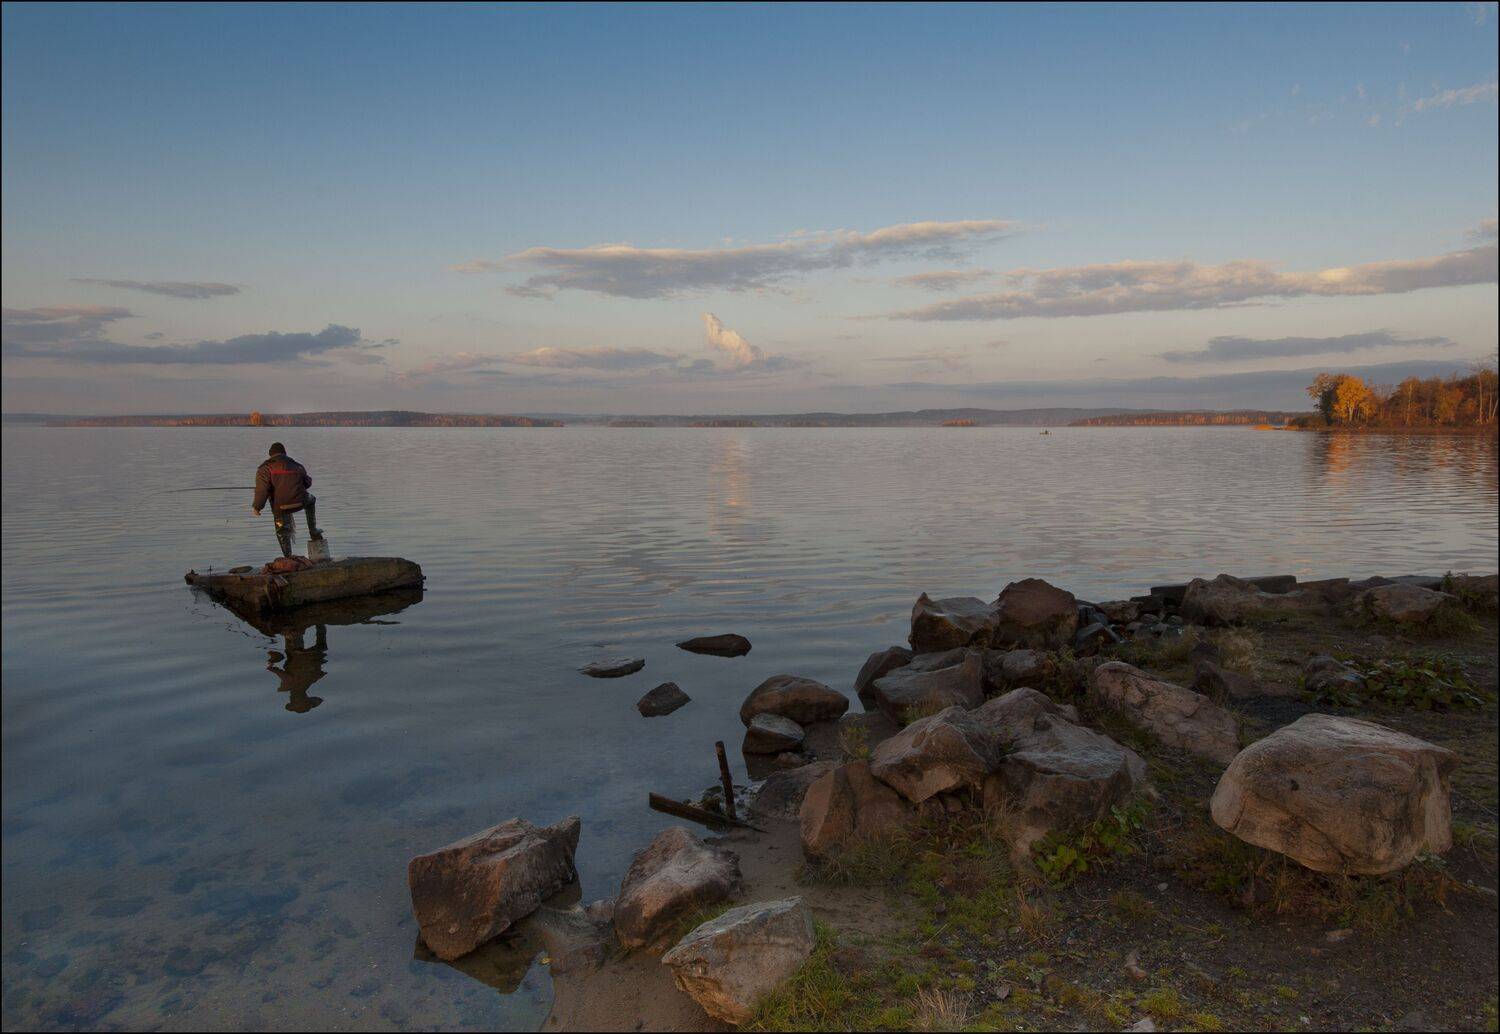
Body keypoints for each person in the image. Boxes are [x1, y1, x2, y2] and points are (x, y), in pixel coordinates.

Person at [252, 442, 323, 557]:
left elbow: (262, 490)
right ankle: (313, 531)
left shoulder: (264, 469)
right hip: (300, 502)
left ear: (270, 455)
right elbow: (307, 483)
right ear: (285, 453)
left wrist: (257, 507)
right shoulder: (297, 465)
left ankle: (288, 556)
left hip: (280, 507)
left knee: (281, 530)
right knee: (311, 500)